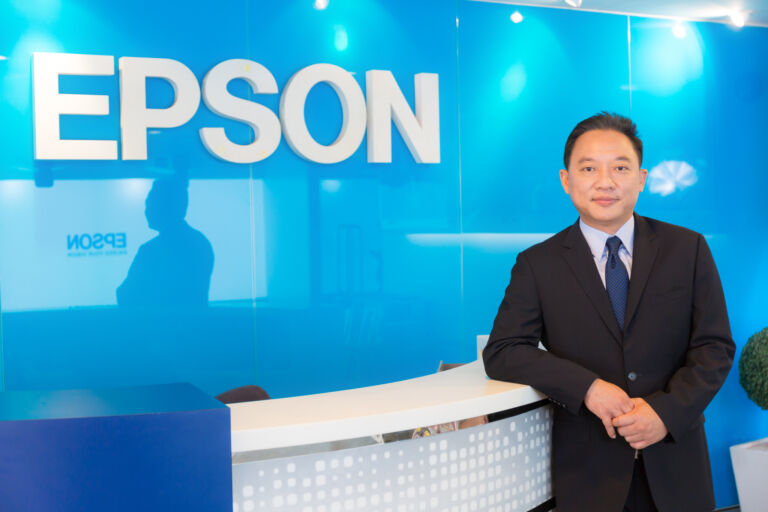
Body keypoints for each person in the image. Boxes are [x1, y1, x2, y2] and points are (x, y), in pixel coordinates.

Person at [482, 112, 734, 512]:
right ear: (566, 180)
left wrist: (665, 413)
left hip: (676, 461)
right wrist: (587, 388)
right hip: (589, 472)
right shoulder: (538, 264)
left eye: (620, 167)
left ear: (641, 178)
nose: (605, 182)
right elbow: (503, 350)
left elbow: (714, 347)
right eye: (588, 168)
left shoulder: (687, 249)